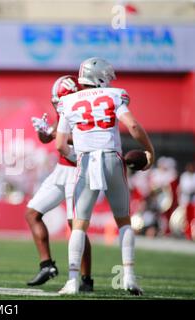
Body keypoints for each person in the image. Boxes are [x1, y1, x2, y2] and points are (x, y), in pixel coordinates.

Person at [56, 57, 155, 295]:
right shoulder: (114, 95)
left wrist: (77, 157)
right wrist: (150, 150)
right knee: (123, 221)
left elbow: (60, 145)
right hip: (112, 158)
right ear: (99, 77)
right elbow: (132, 126)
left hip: (87, 160)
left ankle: (72, 280)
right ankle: (129, 276)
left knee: (79, 224)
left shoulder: (68, 102)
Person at [25, 75, 93, 291]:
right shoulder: (64, 107)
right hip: (62, 169)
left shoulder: (87, 109)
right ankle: (47, 265)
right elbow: (52, 138)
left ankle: (86, 279)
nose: (59, 105)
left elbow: (84, 137)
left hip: (79, 171)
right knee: (32, 213)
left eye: (61, 100)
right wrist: (44, 132)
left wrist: (54, 133)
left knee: (77, 226)